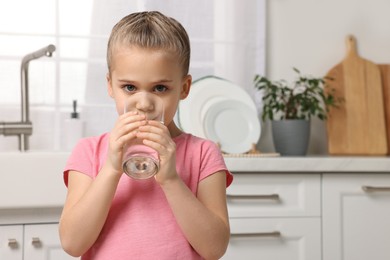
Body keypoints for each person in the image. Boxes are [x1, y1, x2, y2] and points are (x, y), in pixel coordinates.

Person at [59, 11, 233, 260]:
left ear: (183, 88)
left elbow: (214, 248)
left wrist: (172, 180)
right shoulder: (89, 152)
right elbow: (72, 243)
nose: (143, 103)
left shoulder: (203, 154)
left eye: (160, 88)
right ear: (110, 85)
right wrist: (110, 168)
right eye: (129, 87)